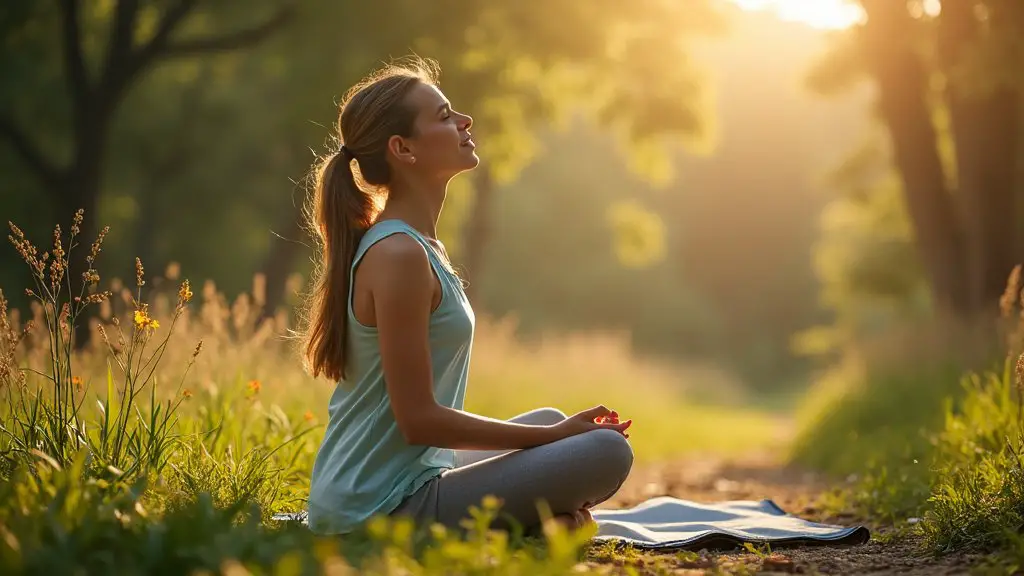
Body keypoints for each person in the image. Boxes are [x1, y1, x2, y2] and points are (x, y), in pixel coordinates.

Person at [301, 57, 634, 537]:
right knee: (605, 451)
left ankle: (533, 528)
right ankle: (531, 530)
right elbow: (417, 421)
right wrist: (552, 440)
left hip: (407, 476)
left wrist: (551, 432)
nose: (464, 121)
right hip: (378, 509)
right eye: (442, 116)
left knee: (551, 419)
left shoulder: (417, 246)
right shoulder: (398, 254)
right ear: (403, 149)